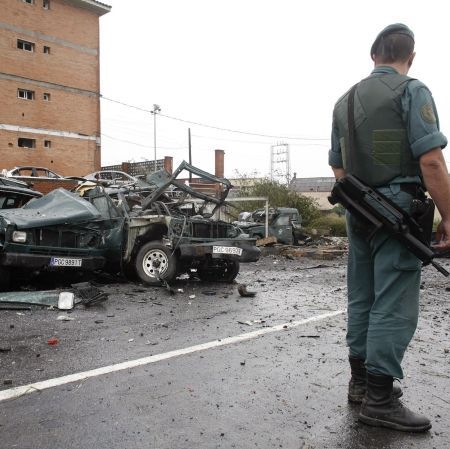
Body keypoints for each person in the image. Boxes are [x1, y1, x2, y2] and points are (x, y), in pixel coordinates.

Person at [329, 23, 450, 432]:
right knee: (394, 302)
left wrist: (363, 198)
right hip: (398, 210)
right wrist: (449, 216)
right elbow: (431, 160)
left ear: (373, 57)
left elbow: (338, 167)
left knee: (362, 294)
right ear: (410, 57)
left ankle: (361, 384)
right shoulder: (412, 89)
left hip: (357, 210)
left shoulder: (343, 101)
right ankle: (380, 399)